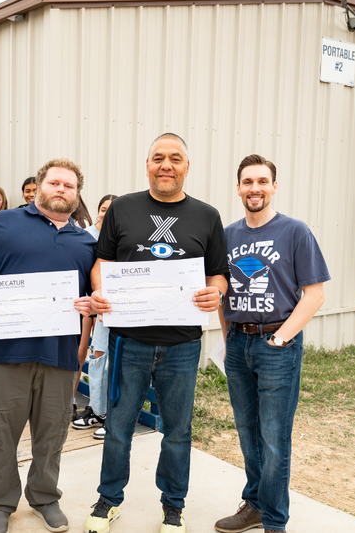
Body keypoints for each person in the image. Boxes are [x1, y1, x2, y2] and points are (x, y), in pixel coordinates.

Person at [85, 133, 229, 533]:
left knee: (177, 432)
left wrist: (215, 292)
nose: (166, 165)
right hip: (129, 341)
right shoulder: (123, 209)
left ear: (187, 166)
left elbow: (219, 273)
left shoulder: (207, 215)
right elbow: (102, 261)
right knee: (118, 428)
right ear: (147, 163)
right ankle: (109, 499)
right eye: (158, 158)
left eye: (175, 158)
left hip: (182, 344)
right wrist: (100, 289)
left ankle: (173, 507)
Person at [0, 158, 96, 533]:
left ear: (77, 194)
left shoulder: (87, 243)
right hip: (5, 354)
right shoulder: (4, 223)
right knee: (1, 433)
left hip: (60, 356)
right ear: (39, 186)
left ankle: (45, 497)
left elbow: (96, 296)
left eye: (69, 185)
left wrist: (91, 304)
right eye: (55, 183)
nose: (61, 189)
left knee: (52, 434)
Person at [213, 154, 329, 533]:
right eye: (248, 182)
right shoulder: (228, 235)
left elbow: (314, 294)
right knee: (248, 431)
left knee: (274, 437)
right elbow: (221, 294)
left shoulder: (295, 232)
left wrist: (281, 338)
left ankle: (275, 523)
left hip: (277, 344)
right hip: (238, 342)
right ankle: (256, 504)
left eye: (262, 181)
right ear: (238, 188)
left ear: (274, 186)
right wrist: (226, 337)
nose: (255, 189)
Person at [72, 194, 117, 440]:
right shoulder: (87, 236)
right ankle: (98, 410)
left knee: (112, 361)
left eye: (111, 210)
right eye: (102, 209)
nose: (106, 214)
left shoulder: (124, 236)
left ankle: (111, 415)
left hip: (116, 309)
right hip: (93, 306)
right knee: (96, 356)